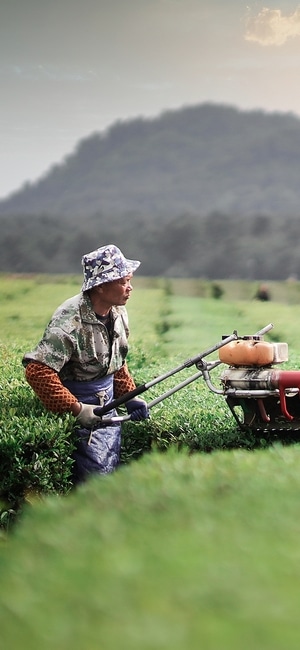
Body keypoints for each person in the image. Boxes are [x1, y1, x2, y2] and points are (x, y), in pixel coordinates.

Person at [22, 244, 149, 484]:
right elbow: (37, 371)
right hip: (82, 416)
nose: (130, 287)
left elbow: (116, 362)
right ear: (101, 286)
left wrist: (129, 396)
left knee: (110, 476)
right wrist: (76, 408)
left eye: (130, 280)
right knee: (92, 486)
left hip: (107, 411)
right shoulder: (70, 321)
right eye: (123, 281)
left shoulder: (118, 312)